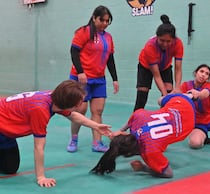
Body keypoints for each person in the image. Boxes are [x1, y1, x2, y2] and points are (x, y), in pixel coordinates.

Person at [0, 80, 112, 187]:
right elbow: (39, 147)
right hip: (2, 126)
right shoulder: (40, 109)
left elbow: (72, 115)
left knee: (10, 168)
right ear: (69, 103)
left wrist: (96, 126)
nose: (80, 106)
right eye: (78, 103)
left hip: (6, 131)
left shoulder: (54, 98)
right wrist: (41, 177)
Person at [90, 93, 195, 178]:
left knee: (162, 101)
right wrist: (120, 130)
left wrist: (143, 168)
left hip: (189, 121)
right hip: (179, 101)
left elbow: (168, 173)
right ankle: (190, 95)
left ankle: (192, 94)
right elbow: (133, 118)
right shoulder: (139, 117)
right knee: (160, 100)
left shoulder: (149, 152)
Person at [67, 5, 119, 153]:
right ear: (94, 18)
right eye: (101, 20)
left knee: (98, 111)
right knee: (80, 110)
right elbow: (74, 52)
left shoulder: (108, 37)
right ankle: (74, 138)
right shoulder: (83, 32)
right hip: (82, 78)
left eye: (107, 21)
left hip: (99, 79)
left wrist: (115, 78)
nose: (104, 23)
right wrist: (80, 72)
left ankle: (97, 142)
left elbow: (110, 59)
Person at [133, 14, 184, 111]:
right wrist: (165, 95)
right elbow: (156, 75)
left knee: (170, 91)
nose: (165, 44)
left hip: (165, 66)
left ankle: (165, 119)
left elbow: (178, 68)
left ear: (173, 39)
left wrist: (177, 87)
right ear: (157, 37)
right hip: (146, 67)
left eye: (168, 41)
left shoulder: (178, 44)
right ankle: (134, 123)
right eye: (162, 40)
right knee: (142, 94)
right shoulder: (150, 46)